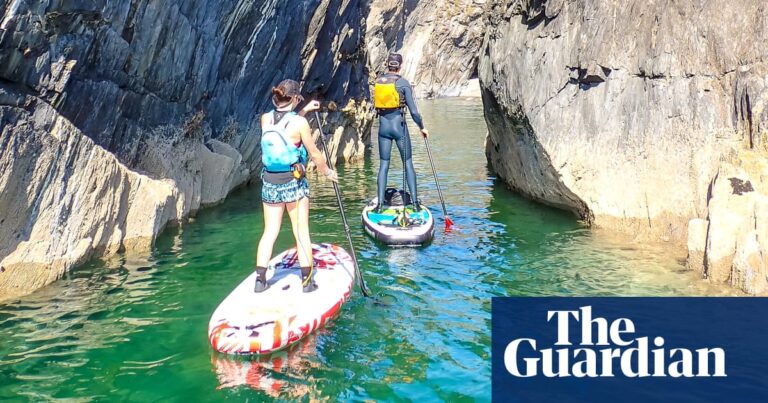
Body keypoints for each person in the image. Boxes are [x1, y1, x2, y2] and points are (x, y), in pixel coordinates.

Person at [254, 79, 338, 293]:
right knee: (301, 230)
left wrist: (304, 109)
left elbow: (284, 128)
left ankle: (260, 281)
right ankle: (307, 282)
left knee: (270, 231)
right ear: (293, 98)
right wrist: (327, 172)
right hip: (293, 183)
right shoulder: (299, 124)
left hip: (270, 182)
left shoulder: (265, 119)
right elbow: (315, 154)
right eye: (298, 98)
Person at [373, 53, 429, 213]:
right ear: (400, 65)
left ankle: (379, 206)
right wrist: (422, 127)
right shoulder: (403, 83)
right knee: (408, 164)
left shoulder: (378, 82)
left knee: (384, 165)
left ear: (387, 64)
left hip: (383, 128)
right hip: (399, 127)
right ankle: (416, 205)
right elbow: (414, 113)